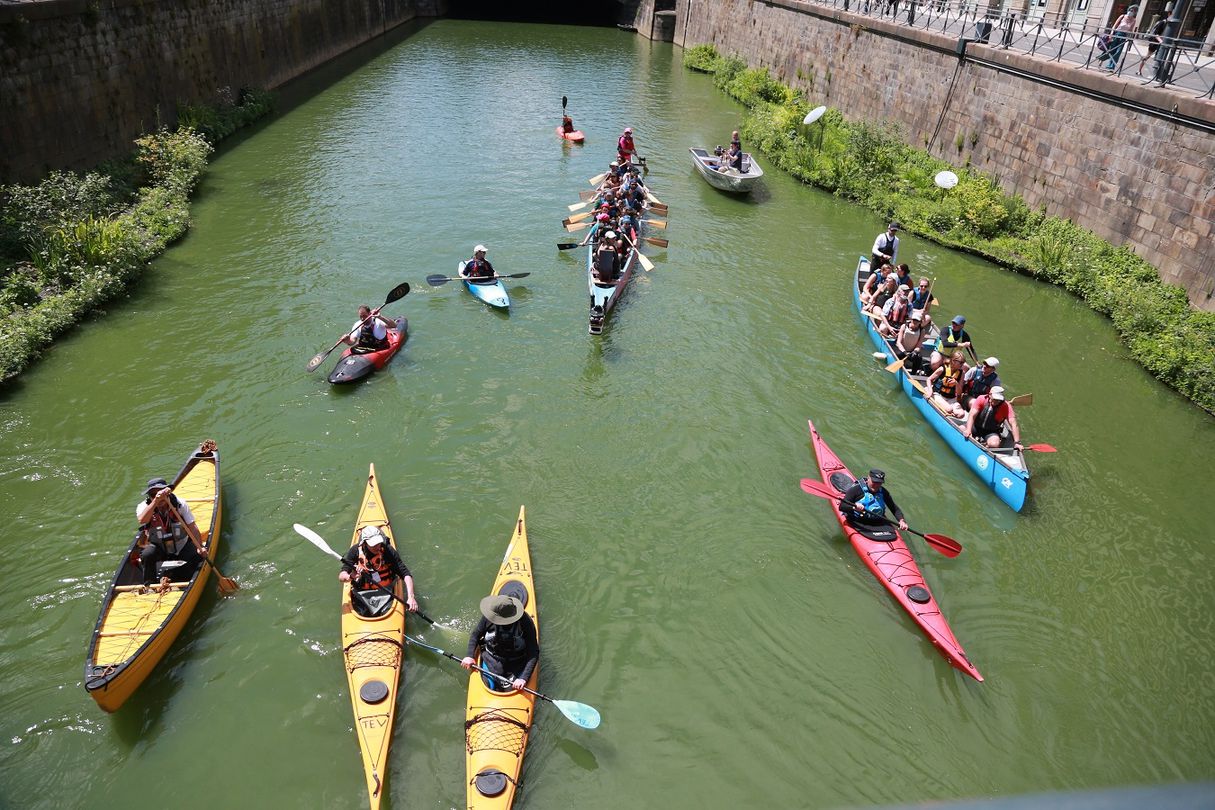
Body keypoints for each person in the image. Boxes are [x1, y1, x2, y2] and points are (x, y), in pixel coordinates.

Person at [461, 594, 539, 692]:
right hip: (490, 659)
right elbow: (475, 634)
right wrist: (469, 656)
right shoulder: (491, 615)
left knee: (511, 689)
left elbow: (533, 652)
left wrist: (523, 678)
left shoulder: (525, 622)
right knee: (487, 684)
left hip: (516, 662)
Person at [136, 478, 203, 588]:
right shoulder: (143, 507)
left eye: (161, 492)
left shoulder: (180, 504)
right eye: (153, 494)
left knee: (196, 557)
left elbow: (192, 527)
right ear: (150, 496)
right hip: (159, 546)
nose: (160, 497)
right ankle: (150, 586)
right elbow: (142, 520)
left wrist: (200, 547)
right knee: (147, 554)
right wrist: (155, 501)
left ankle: (184, 583)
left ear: (168, 491)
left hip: (181, 544)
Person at [339, 525, 419, 610]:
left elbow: (405, 574)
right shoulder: (354, 551)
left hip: (387, 591)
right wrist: (351, 576)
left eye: (378, 543)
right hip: (362, 593)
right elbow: (341, 576)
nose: (377, 547)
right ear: (365, 543)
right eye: (373, 544)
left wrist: (411, 597)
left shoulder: (387, 550)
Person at [839, 469, 909, 532]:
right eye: (874, 482)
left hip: (877, 521)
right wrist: (854, 507)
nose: (876, 485)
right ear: (868, 478)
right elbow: (842, 506)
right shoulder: (856, 490)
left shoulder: (883, 492)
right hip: (858, 521)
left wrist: (901, 521)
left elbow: (894, 508)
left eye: (879, 483)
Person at [963, 386, 1023, 450]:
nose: (997, 401)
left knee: (994, 444)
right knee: (962, 429)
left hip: (991, 431)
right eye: (995, 398)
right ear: (990, 394)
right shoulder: (981, 399)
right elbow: (972, 415)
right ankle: (977, 438)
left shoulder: (1006, 406)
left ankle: (985, 444)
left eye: (999, 400)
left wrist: (1017, 442)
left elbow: (1014, 424)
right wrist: (968, 430)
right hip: (975, 426)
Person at [926, 350, 970, 418]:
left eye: (963, 362)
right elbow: (929, 379)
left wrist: (956, 383)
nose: (962, 364)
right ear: (953, 361)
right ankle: (948, 411)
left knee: (961, 414)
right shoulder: (942, 369)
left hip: (951, 398)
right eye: (960, 362)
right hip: (938, 394)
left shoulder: (961, 373)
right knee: (949, 409)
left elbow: (959, 393)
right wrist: (930, 391)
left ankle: (949, 411)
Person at [1105, 5, 1139, 70]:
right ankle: (1109, 63)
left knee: (1118, 51)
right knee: (1113, 49)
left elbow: (1131, 30)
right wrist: (1111, 34)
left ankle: (1112, 66)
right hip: (1117, 34)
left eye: (1133, 11)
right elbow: (1114, 26)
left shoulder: (1134, 20)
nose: (1131, 12)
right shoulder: (1122, 16)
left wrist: (1131, 37)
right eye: (1131, 10)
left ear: (1135, 13)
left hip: (1124, 36)